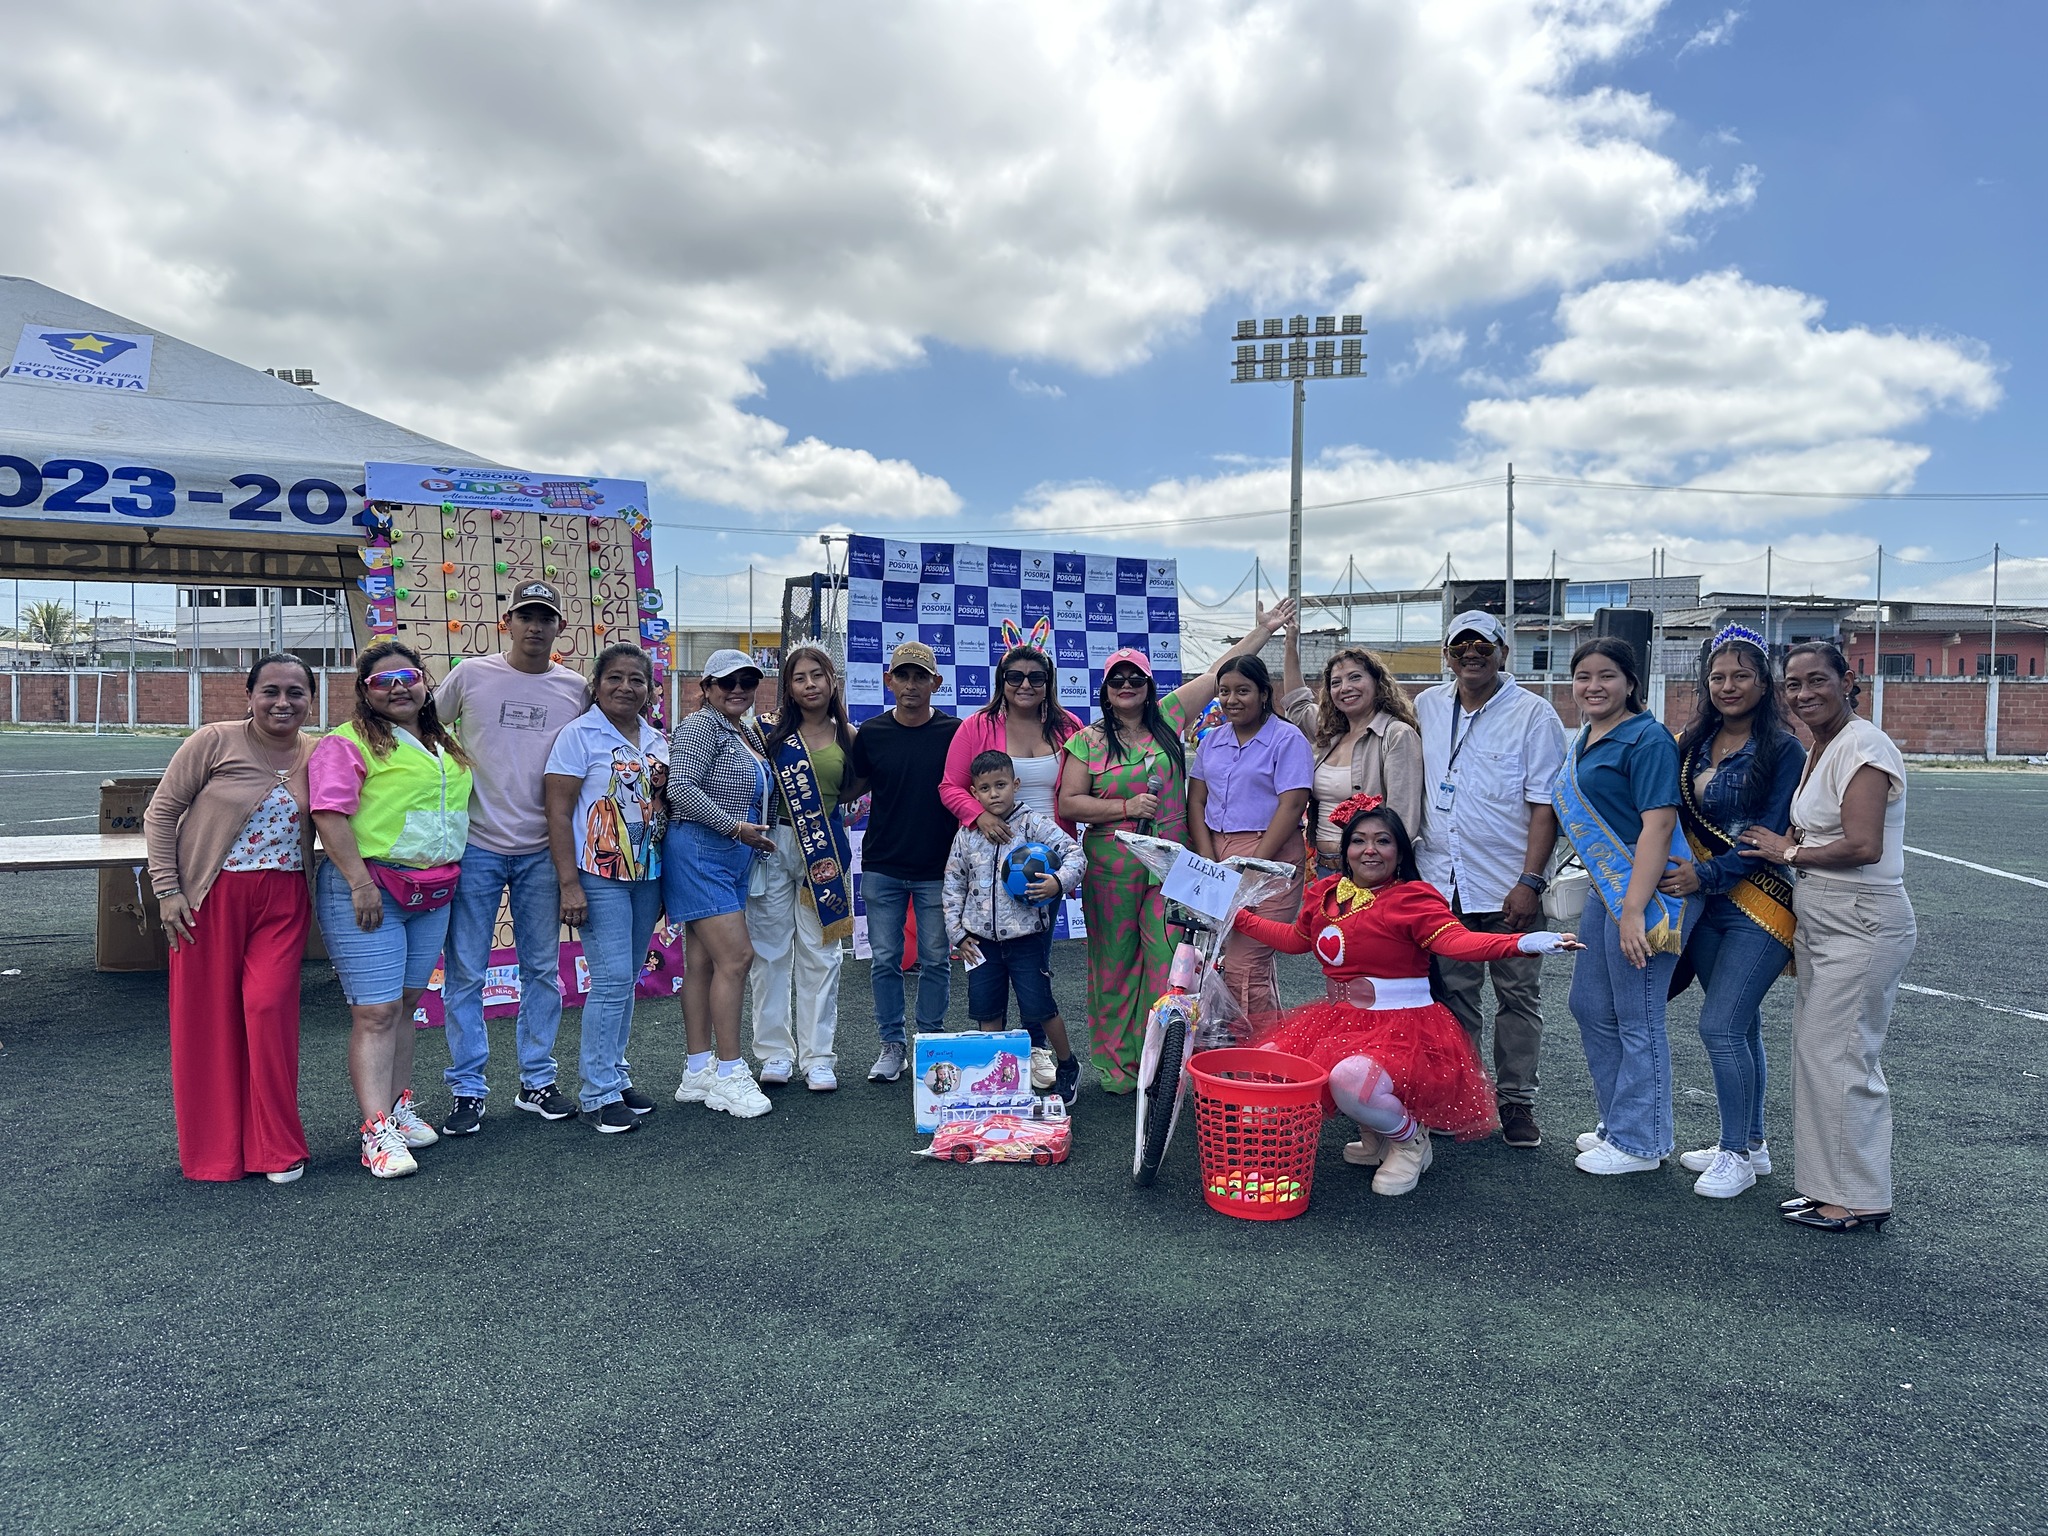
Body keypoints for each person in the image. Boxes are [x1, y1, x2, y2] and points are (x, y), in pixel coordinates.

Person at [1232, 795, 1581, 1196]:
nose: (1370, 850)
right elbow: (1296, 939)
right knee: (1275, 1058)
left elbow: (1458, 942)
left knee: (1351, 1079)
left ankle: (1410, 1141)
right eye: (1359, 840)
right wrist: (1237, 916)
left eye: (1383, 841)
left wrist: (1523, 943)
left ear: (1400, 853)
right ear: (1345, 850)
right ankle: (1375, 1134)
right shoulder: (1327, 893)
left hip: (1404, 1023)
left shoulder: (1413, 898)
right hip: (1341, 1017)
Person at [1057, 598, 1295, 1093]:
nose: (1127, 686)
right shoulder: (1087, 740)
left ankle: (1166, 1068)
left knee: (1173, 966)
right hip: (1114, 867)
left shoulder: (1168, 717)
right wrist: (1124, 808)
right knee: (1113, 965)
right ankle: (1119, 1069)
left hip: (1174, 866)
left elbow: (1216, 674)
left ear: (1149, 686)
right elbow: (1071, 802)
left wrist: (1265, 631)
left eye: (1136, 679)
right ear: (1105, 690)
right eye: (1117, 680)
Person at [1739, 642, 1913, 1235]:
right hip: (1825, 914)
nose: (1804, 693)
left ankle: (1857, 1199)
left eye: (1817, 680)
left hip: (1861, 917)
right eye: (1793, 684)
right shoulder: (1823, 745)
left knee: (1842, 1058)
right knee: (1820, 1054)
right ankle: (1826, 1189)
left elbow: (1864, 845)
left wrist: (1786, 852)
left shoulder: (1864, 746)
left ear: (1848, 679)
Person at [145, 655, 317, 1184]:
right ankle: (215, 1153)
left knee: (268, 1010)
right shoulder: (214, 741)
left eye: (295, 692)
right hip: (208, 899)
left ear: (312, 699)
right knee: (207, 1022)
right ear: (250, 696)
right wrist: (167, 890)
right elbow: (161, 812)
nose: (282, 702)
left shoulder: (319, 752)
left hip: (284, 901)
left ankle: (275, 1147)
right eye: (270, 691)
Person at [309, 642, 475, 1180]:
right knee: (375, 1012)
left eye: (407, 676)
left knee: (405, 1004)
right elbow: (329, 814)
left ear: (425, 681)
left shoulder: (442, 740)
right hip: (370, 889)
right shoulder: (347, 741)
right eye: (383, 681)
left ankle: (399, 1108)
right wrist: (359, 882)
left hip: (430, 891)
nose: (398, 687)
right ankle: (375, 1130)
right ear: (365, 691)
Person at [430, 580, 590, 1135]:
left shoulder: (576, 689)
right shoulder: (471, 675)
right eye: (526, 616)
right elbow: (425, 731)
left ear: (559, 627)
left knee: (541, 970)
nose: (535, 627)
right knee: (466, 973)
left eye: (545, 618)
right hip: (475, 846)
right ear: (508, 622)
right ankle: (468, 1089)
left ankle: (536, 1081)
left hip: (543, 850)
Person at [1413, 610, 1567, 1150]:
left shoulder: (1535, 714)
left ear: (1503, 652)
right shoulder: (1427, 706)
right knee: (1455, 997)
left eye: (1482, 645)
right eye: (1460, 647)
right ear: (1447, 655)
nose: (1471, 654)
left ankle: (1516, 1101)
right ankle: (1465, 1099)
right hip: (1442, 881)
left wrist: (1530, 881)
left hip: (1507, 886)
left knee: (1518, 996)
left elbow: (1545, 805)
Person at [1660, 625, 1804, 1198]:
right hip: (1701, 906)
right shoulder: (1690, 744)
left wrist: (1706, 874)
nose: (1728, 686)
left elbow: (1767, 835)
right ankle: (1754, 1142)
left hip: (1758, 905)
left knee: (1719, 1025)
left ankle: (1735, 1153)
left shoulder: (1784, 750)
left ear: (1764, 683)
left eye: (1742, 675)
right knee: (1742, 1025)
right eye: (1717, 676)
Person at [1557, 637, 1694, 1176]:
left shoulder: (1648, 738)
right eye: (1583, 676)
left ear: (1631, 682)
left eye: (1607, 675)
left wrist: (1633, 910)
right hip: (1605, 889)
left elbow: (1658, 826)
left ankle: (1641, 1142)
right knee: (1590, 1005)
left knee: (1638, 1015)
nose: (1593, 686)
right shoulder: (1587, 735)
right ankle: (1619, 1123)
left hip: (1645, 894)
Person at [544, 644, 668, 1134]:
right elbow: (558, 814)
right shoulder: (578, 736)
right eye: (615, 677)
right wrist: (568, 884)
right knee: (613, 979)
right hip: (598, 876)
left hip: (648, 876)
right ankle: (597, 1093)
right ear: (596, 685)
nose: (626, 687)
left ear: (650, 690)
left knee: (627, 977)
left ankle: (615, 1075)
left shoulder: (658, 740)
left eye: (637, 680)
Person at [665, 649, 778, 1118]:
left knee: (703, 963)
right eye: (727, 682)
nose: (738, 690)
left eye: (747, 682)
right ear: (706, 687)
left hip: (729, 857)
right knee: (736, 957)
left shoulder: (742, 730)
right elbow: (680, 789)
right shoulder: (700, 726)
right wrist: (736, 828)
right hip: (701, 852)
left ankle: (697, 1071)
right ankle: (730, 1073)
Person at [942, 750, 1086, 1103]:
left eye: (1001, 785)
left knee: (1040, 1006)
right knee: (987, 1011)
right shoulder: (966, 834)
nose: (994, 794)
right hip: (980, 943)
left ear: (1016, 785)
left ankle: (1068, 1065)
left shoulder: (1033, 824)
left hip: (1026, 940)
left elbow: (1075, 855)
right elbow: (953, 884)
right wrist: (957, 933)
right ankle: (998, 1077)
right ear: (974, 793)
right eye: (985, 788)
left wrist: (1058, 882)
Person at [750, 645, 861, 1093]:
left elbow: (855, 787)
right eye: (799, 677)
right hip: (771, 845)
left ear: (832, 680)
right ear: (788, 687)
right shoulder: (766, 731)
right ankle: (774, 1053)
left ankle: (818, 1057)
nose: (810, 684)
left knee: (822, 954)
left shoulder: (848, 735)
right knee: (769, 953)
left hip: (824, 851)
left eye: (818, 675)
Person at [850, 640, 962, 1085]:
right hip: (883, 866)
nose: (911, 684)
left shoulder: (955, 732)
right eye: (903, 675)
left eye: (920, 676)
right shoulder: (872, 733)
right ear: (888, 681)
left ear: (937, 683)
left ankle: (928, 1042)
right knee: (885, 960)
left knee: (936, 960)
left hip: (938, 868)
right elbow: (851, 789)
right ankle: (892, 1045)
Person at [1186, 653, 1312, 1023]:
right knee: (1214, 957)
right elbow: (1197, 800)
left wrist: (1255, 864)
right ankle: (1258, 1041)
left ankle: (1255, 1050)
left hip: (1272, 856)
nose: (1231, 700)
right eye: (1224, 692)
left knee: (1246, 963)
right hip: (1216, 852)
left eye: (1243, 690)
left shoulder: (1287, 738)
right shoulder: (1211, 742)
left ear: (1264, 693)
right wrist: (1207, 858)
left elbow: (1292, 805)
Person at [1281, 634, 1425, 862]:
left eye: (1355, 677)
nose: (1345, 688)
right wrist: (1290, 644)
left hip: (1367, 867)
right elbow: (1297, 705)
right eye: (1336, 683)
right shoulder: (1330, 733)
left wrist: (1377, 868)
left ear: (1377, 683)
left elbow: (1403, 818)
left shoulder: (1396, 735)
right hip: (1321, 865)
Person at [940, 641, 1084, 831]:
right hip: (997, 841)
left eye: (1036, 678)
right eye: (1015, 677)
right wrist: (979, 815)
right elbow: (950, 788)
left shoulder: (1069, 726)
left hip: (1057, 844)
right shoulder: (975, 726)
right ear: (1002, 682)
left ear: (1048, 683)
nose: (1025, 685)